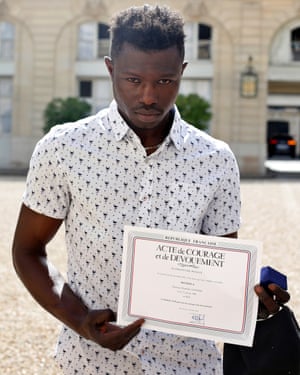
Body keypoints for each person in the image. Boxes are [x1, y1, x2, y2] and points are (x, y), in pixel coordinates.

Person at [12, 4, 290, 375]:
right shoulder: (64, 148)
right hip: (90, 363)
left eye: (164, 81)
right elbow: (28, 250)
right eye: (132, 80)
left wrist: (253, 302)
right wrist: (80, 320)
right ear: (110, 69)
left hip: (190, 365)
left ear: (182, 73)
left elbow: (220, 275)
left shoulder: (216, 159)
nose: (148, 96)